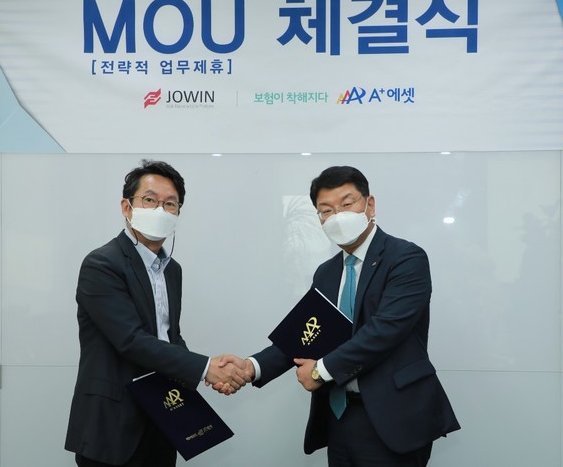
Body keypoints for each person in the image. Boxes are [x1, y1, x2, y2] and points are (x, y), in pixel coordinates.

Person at [229, 165, 460, 467]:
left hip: (393, 416)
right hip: (340, 416)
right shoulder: (327, 272)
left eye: (346, 204)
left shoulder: (405, 258)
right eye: (326, 210)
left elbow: (384, 331)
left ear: (369, 205)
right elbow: (305, 334)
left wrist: (319, 371)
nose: (337, 216)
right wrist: (250, 367)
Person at [65, 160, 249, 467]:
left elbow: (168, 336)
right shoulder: (102, 264)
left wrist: (210, 373)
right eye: (149, 200)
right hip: (112, 425)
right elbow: (131, 340)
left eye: (170, 204)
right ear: (126, 207)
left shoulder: (172, 270)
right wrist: (206, 368)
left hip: (163, 418)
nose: (160, 210)